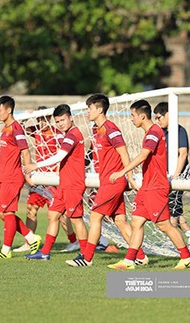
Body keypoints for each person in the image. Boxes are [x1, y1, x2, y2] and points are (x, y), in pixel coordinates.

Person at [108, 99, 190, 270]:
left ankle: (186, 257)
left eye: (133, 115)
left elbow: (143, 156)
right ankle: (129, 261)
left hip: (156, 187)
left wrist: (122, 172)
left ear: (142, 116)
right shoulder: (150, 132)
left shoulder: (154, 132)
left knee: (164, 225)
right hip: (147, 187)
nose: (131, 119)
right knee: (137, 222)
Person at [65, 94, 148, 267]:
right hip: (108, 181)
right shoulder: (96, 129)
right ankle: (140, 256)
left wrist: (129, 177)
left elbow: (123, 152)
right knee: (120, 221)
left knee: (95, 217)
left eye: (90, 108)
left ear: (100, 109)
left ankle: (86, 258)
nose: (87, 112)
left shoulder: (111, 128)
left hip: (113, 182)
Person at [23, 104, 88, 261]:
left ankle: (86, 254)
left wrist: (35, 165)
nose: (60, 124)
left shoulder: (73, 134)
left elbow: (59, 156)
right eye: (58, 121)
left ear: (71, 118)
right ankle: (45, 252)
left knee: (76, 218)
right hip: (63, 184)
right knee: (53, 216)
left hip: (73, 185)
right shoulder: (66, 134)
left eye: (63, 120)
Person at [0, 96, 42, 259]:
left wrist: (28, 174)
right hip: (4, 177)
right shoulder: (5, 128)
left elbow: (24, 151)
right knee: (1, 213)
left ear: (9, 110)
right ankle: (32, 238)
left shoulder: (16, 129)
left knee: (8, 213)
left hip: (12, 177)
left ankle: (6, 250)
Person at [153, 102, 190, 249]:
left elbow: (182, 154)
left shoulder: (179, 131)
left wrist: (176, 175)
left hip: (178, 175)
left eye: (159, 117)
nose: (158, 121)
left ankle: (172, 242)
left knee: (172, 208)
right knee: (174, 208)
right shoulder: (161, 132)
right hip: (165, 176)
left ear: (169, 115)